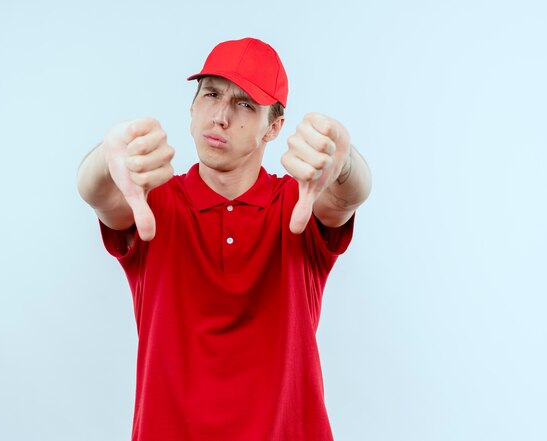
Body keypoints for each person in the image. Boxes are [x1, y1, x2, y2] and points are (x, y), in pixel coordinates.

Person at [77, 37, 372, 441]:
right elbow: (99, 194)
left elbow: (347, 195)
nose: (220, 116)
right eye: (211, 94)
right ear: (192, 106)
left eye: (245, 104)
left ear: (274, 127)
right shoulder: (154, 202)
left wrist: (344, 160)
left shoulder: (297, 201)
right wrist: (104, 161)